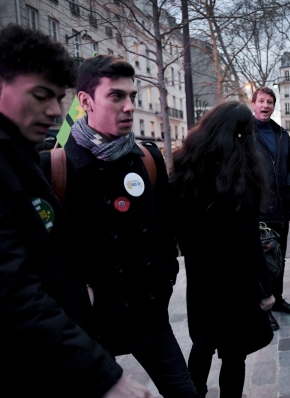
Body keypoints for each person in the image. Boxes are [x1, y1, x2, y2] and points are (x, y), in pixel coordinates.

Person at [0, 24, 151, 398]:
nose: (54, 111)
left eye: (57, 97)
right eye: (40, 95)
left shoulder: (20, 157)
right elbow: (12, 290)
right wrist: (104, 374)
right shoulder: (49, 161)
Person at [40, 55, 199, 397]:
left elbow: (165, 229)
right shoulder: (55, 167)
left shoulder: (147, 158)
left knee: (184, 391)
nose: (129, 107)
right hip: (92, 326)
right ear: (85, 101)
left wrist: (166, 276)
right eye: (116, 96)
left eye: (133, 97)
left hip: (149, 314)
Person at [171, 101, 275, 397]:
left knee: (202, 345)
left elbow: (175, 225)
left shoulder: (186, 167)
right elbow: (248, 241)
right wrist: (265, 289)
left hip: (202, 276)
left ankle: (194, 392)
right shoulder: (240, 176)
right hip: (236, 282)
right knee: (234, 354)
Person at [252, 86, 290, 331]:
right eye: (261, 101)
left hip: (281, 208)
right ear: (253, 104)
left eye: (270, 102)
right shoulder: (244, 135)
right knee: (264, 262)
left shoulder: (282, 134)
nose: (265, 106)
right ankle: (264, 308)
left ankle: (278, 299)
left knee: (279, 259)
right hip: (259, 211)